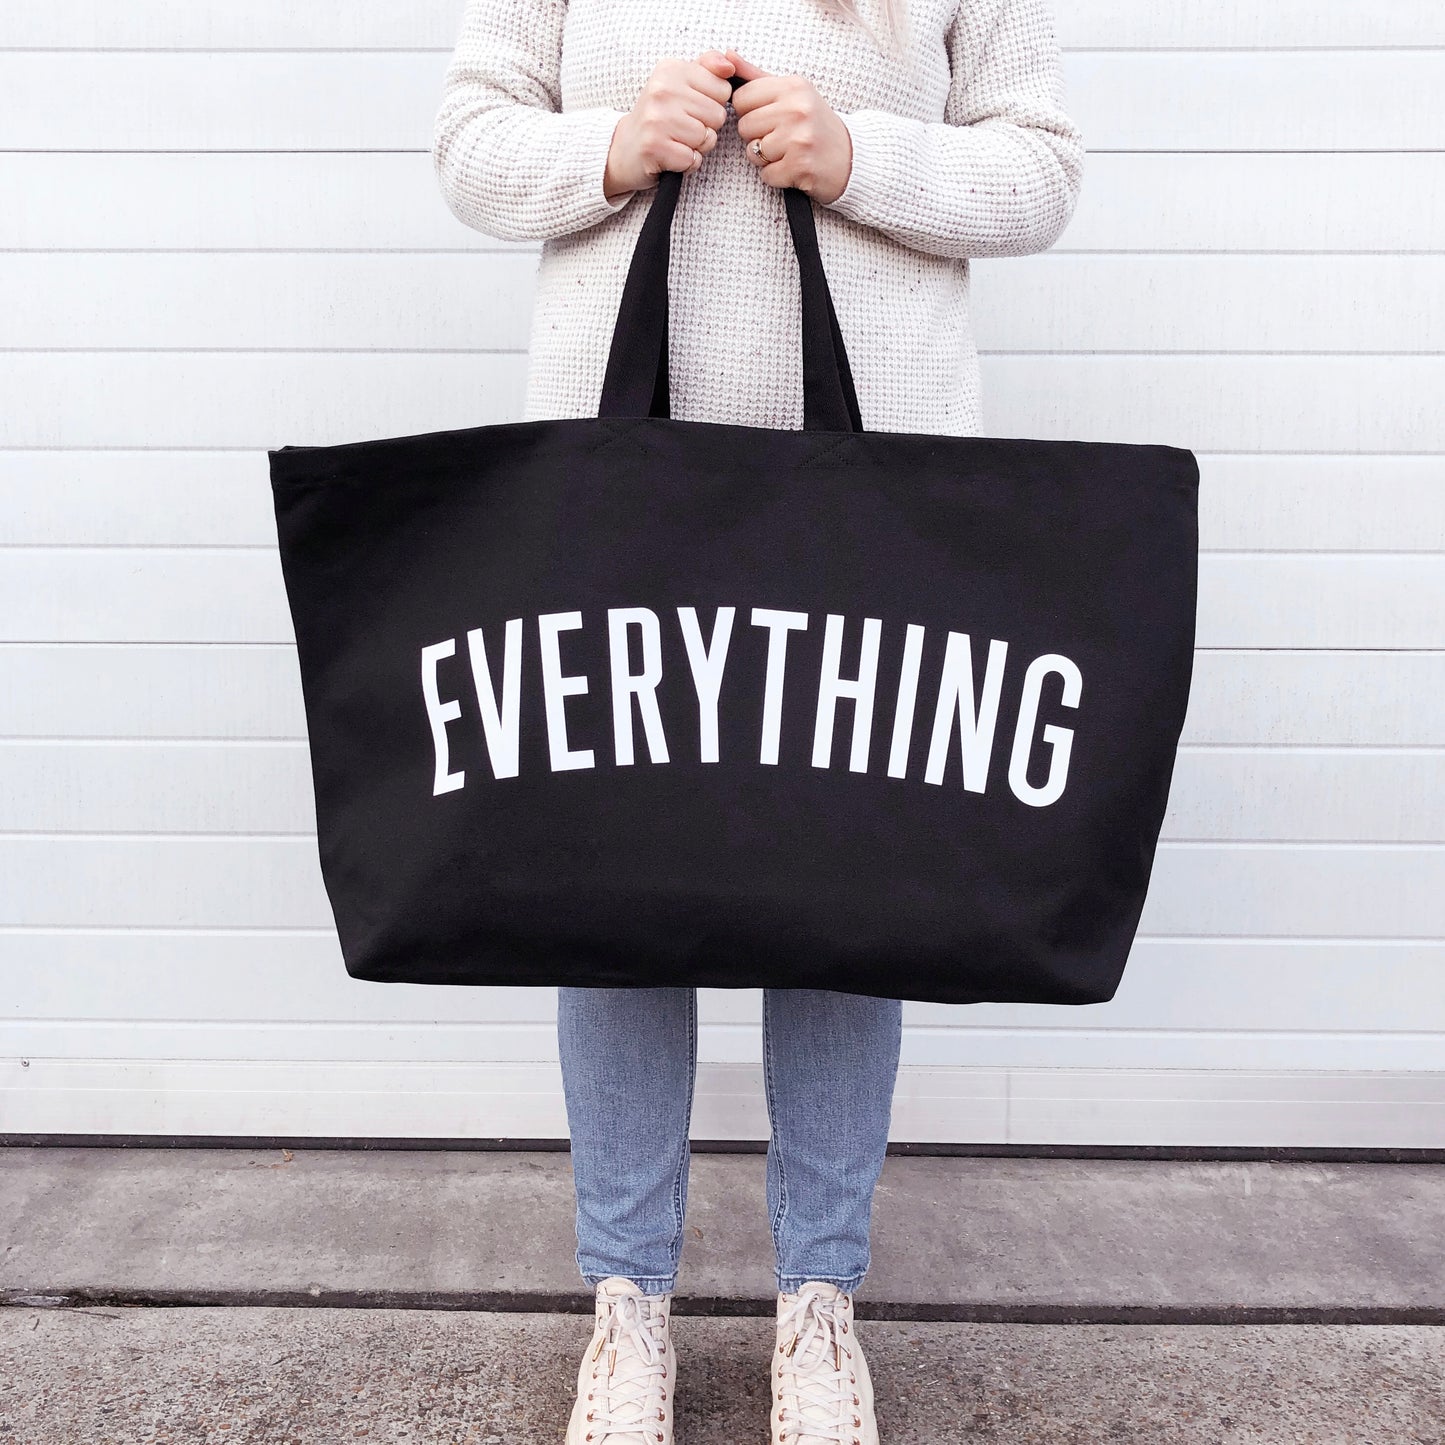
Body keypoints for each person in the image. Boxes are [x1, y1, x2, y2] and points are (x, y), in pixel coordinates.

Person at [431, 1, 1083, 1439]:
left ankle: (818, 1305)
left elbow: (1039, 170)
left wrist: (861, 158)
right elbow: (468, 145)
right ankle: (626, 1303)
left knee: (846, 894)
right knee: (606, 889)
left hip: (873, 496)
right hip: (612, 491)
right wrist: (610, 148)